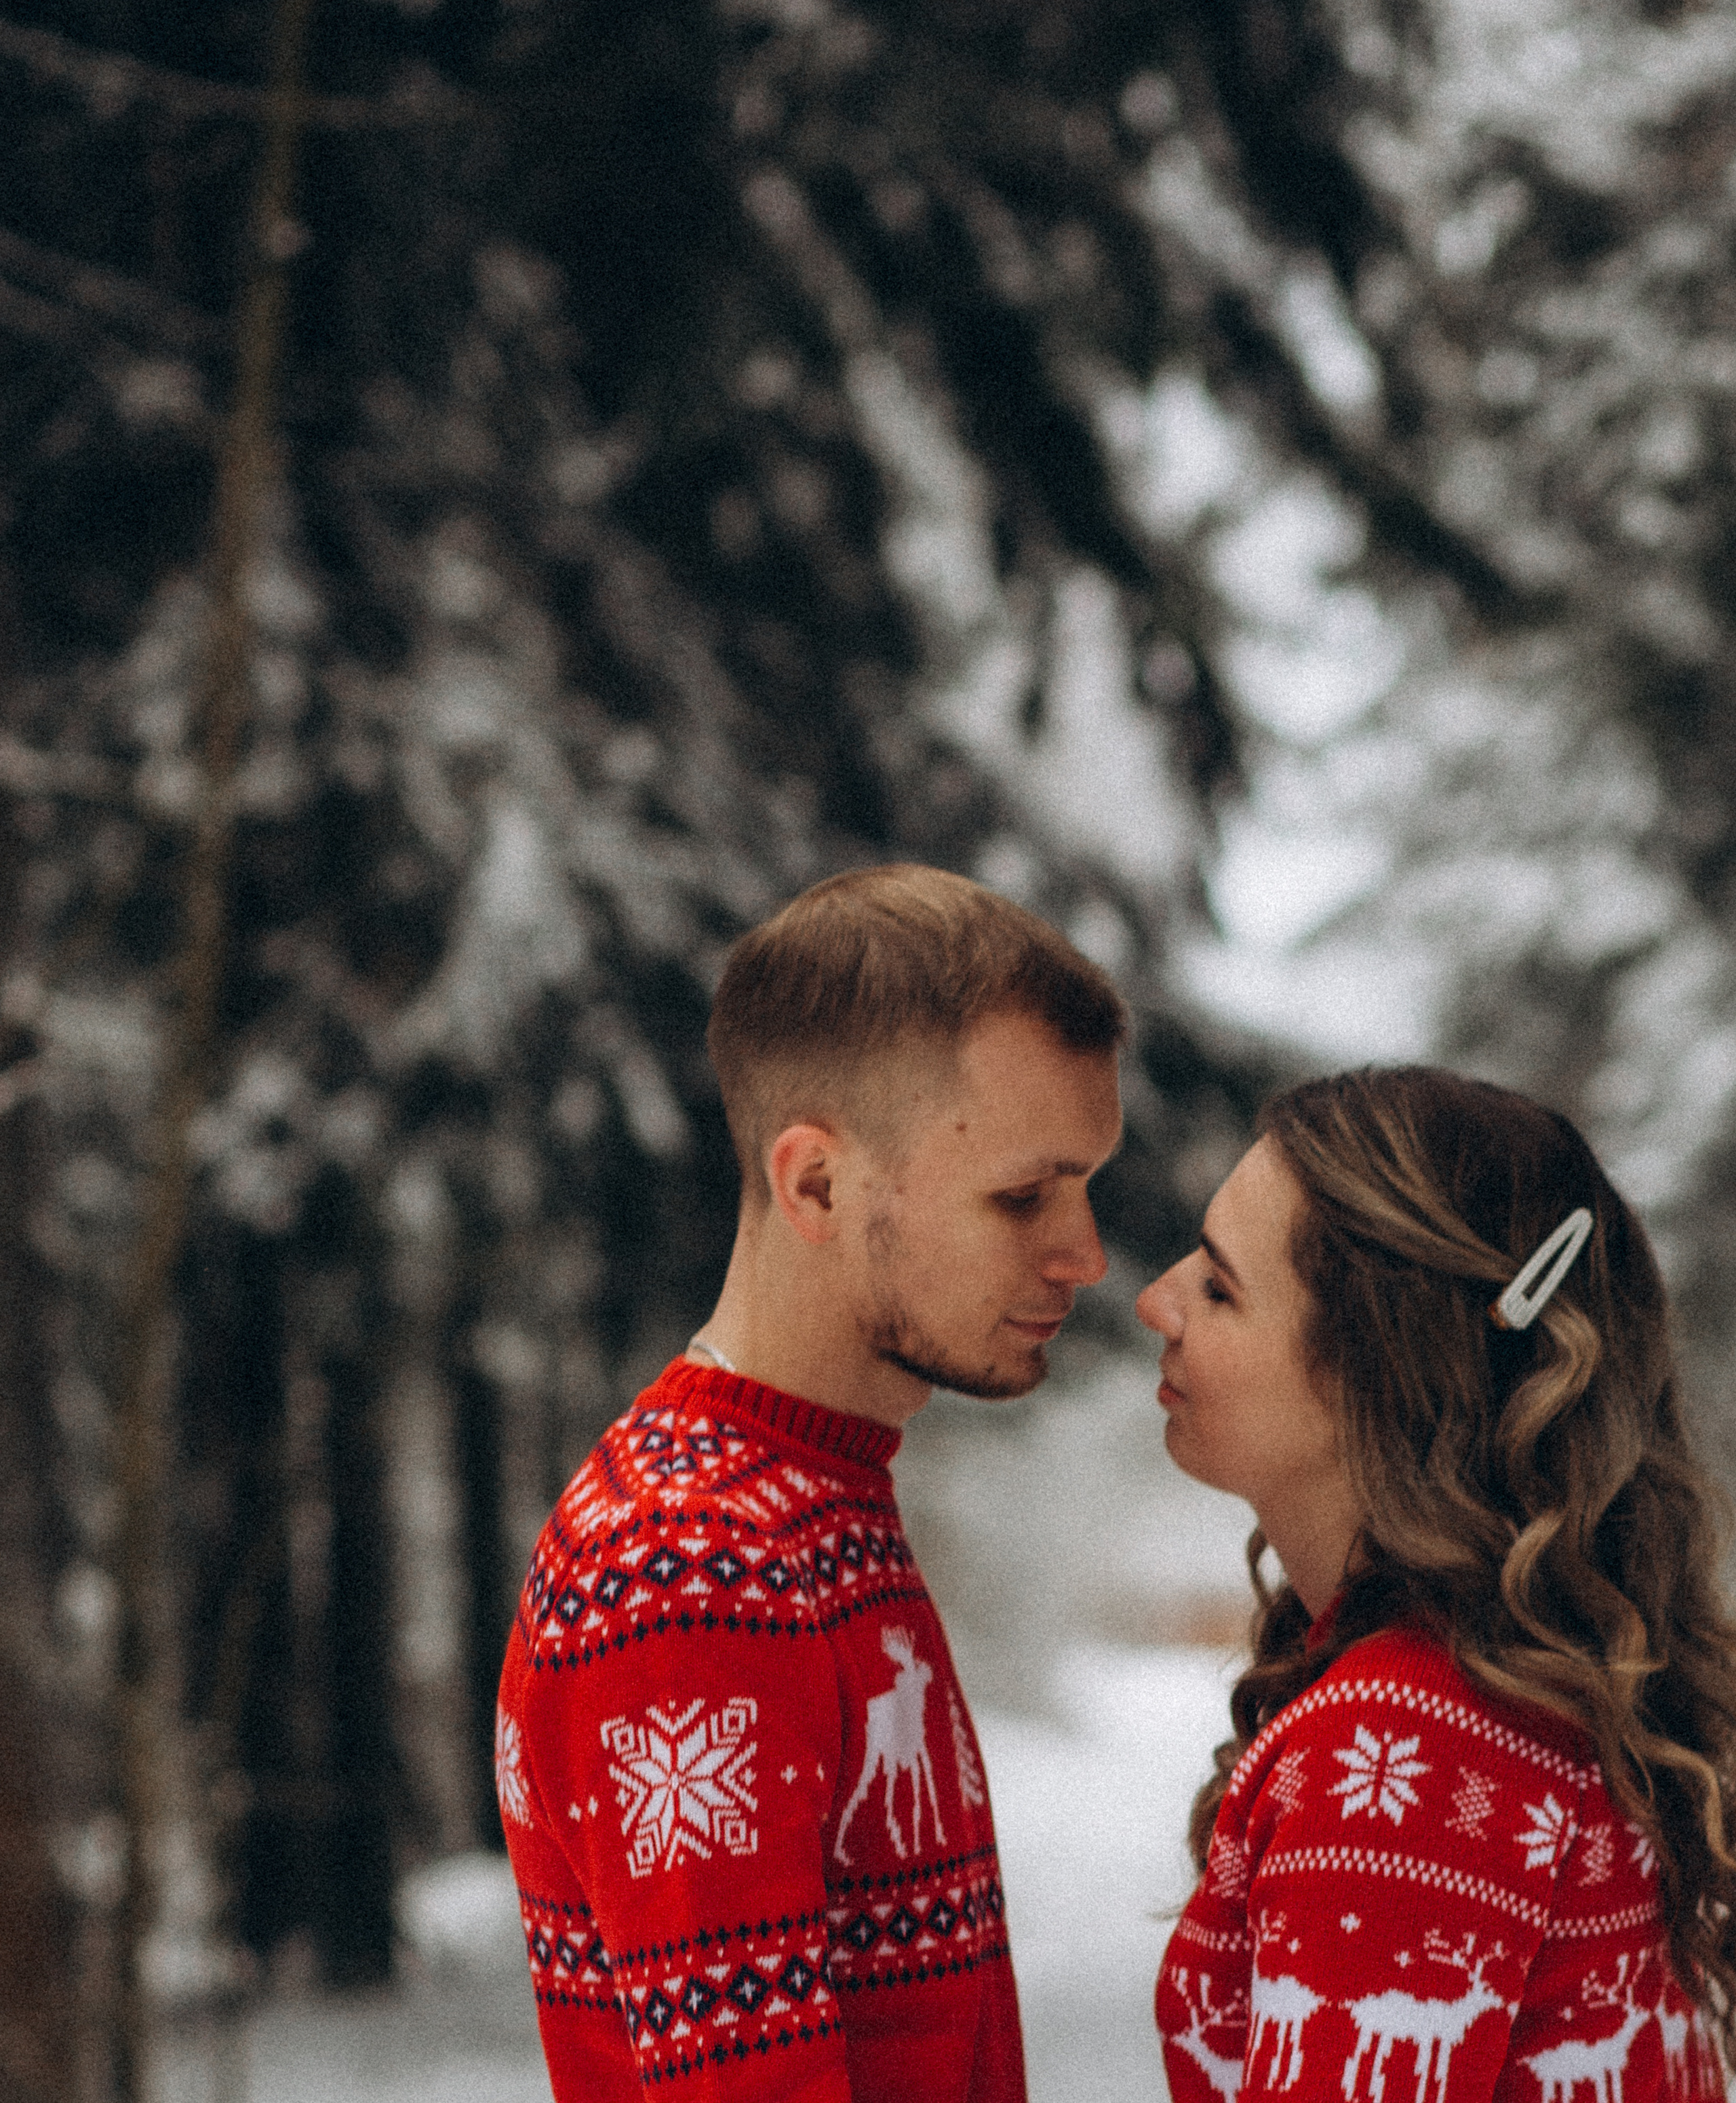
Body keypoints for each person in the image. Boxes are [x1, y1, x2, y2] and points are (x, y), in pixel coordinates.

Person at [496, 863, 1126, 2102]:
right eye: (1024, 1195)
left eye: (1087, 1185)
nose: (1085, 1255)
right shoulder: (682, 1568)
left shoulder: (808, 1502)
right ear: (818, 1185)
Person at [1142, 1067, 1736, 2103]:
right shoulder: (1511, 1701)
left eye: (1221, 1287)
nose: (1158, 1299)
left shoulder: (1401, 1757)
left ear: (1381, 1370)